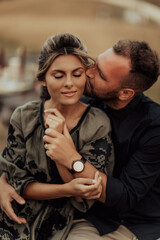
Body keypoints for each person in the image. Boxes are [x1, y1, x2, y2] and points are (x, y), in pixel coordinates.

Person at [0, 39, 160, 240]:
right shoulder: (83, 98)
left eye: (100, 74)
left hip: (128, 223)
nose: (88, 72)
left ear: (125, 93)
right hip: (77, 212)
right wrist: (3, 182)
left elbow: (124, 197)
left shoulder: (153, 127)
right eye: (94, 63)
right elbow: (19, 153)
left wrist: (73, 160)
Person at [0, 33, 114, 240]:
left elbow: (83, 196)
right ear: (43, 79)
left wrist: (61, 143)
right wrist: (66, 189)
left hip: (60, 224)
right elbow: (17, 183)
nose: (69, 83)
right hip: (13, 215)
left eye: (77, 74)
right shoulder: (24, 116)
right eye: (59, 76)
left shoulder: (98, 123)